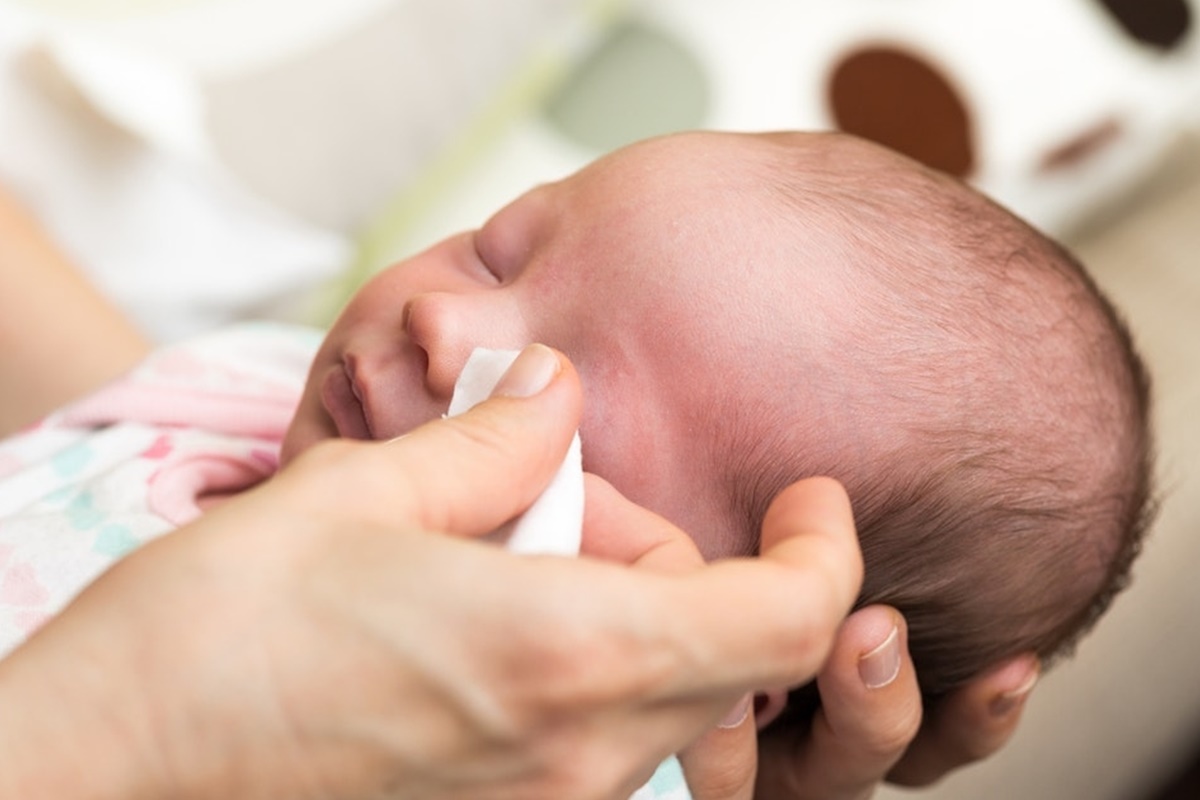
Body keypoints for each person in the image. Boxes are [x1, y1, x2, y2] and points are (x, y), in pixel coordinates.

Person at [0, 131, 1087, 796]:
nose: (440, 313)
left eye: (556, 382)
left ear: (697, 645)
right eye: (495, 247)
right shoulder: (251, 389)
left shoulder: (526, 767)